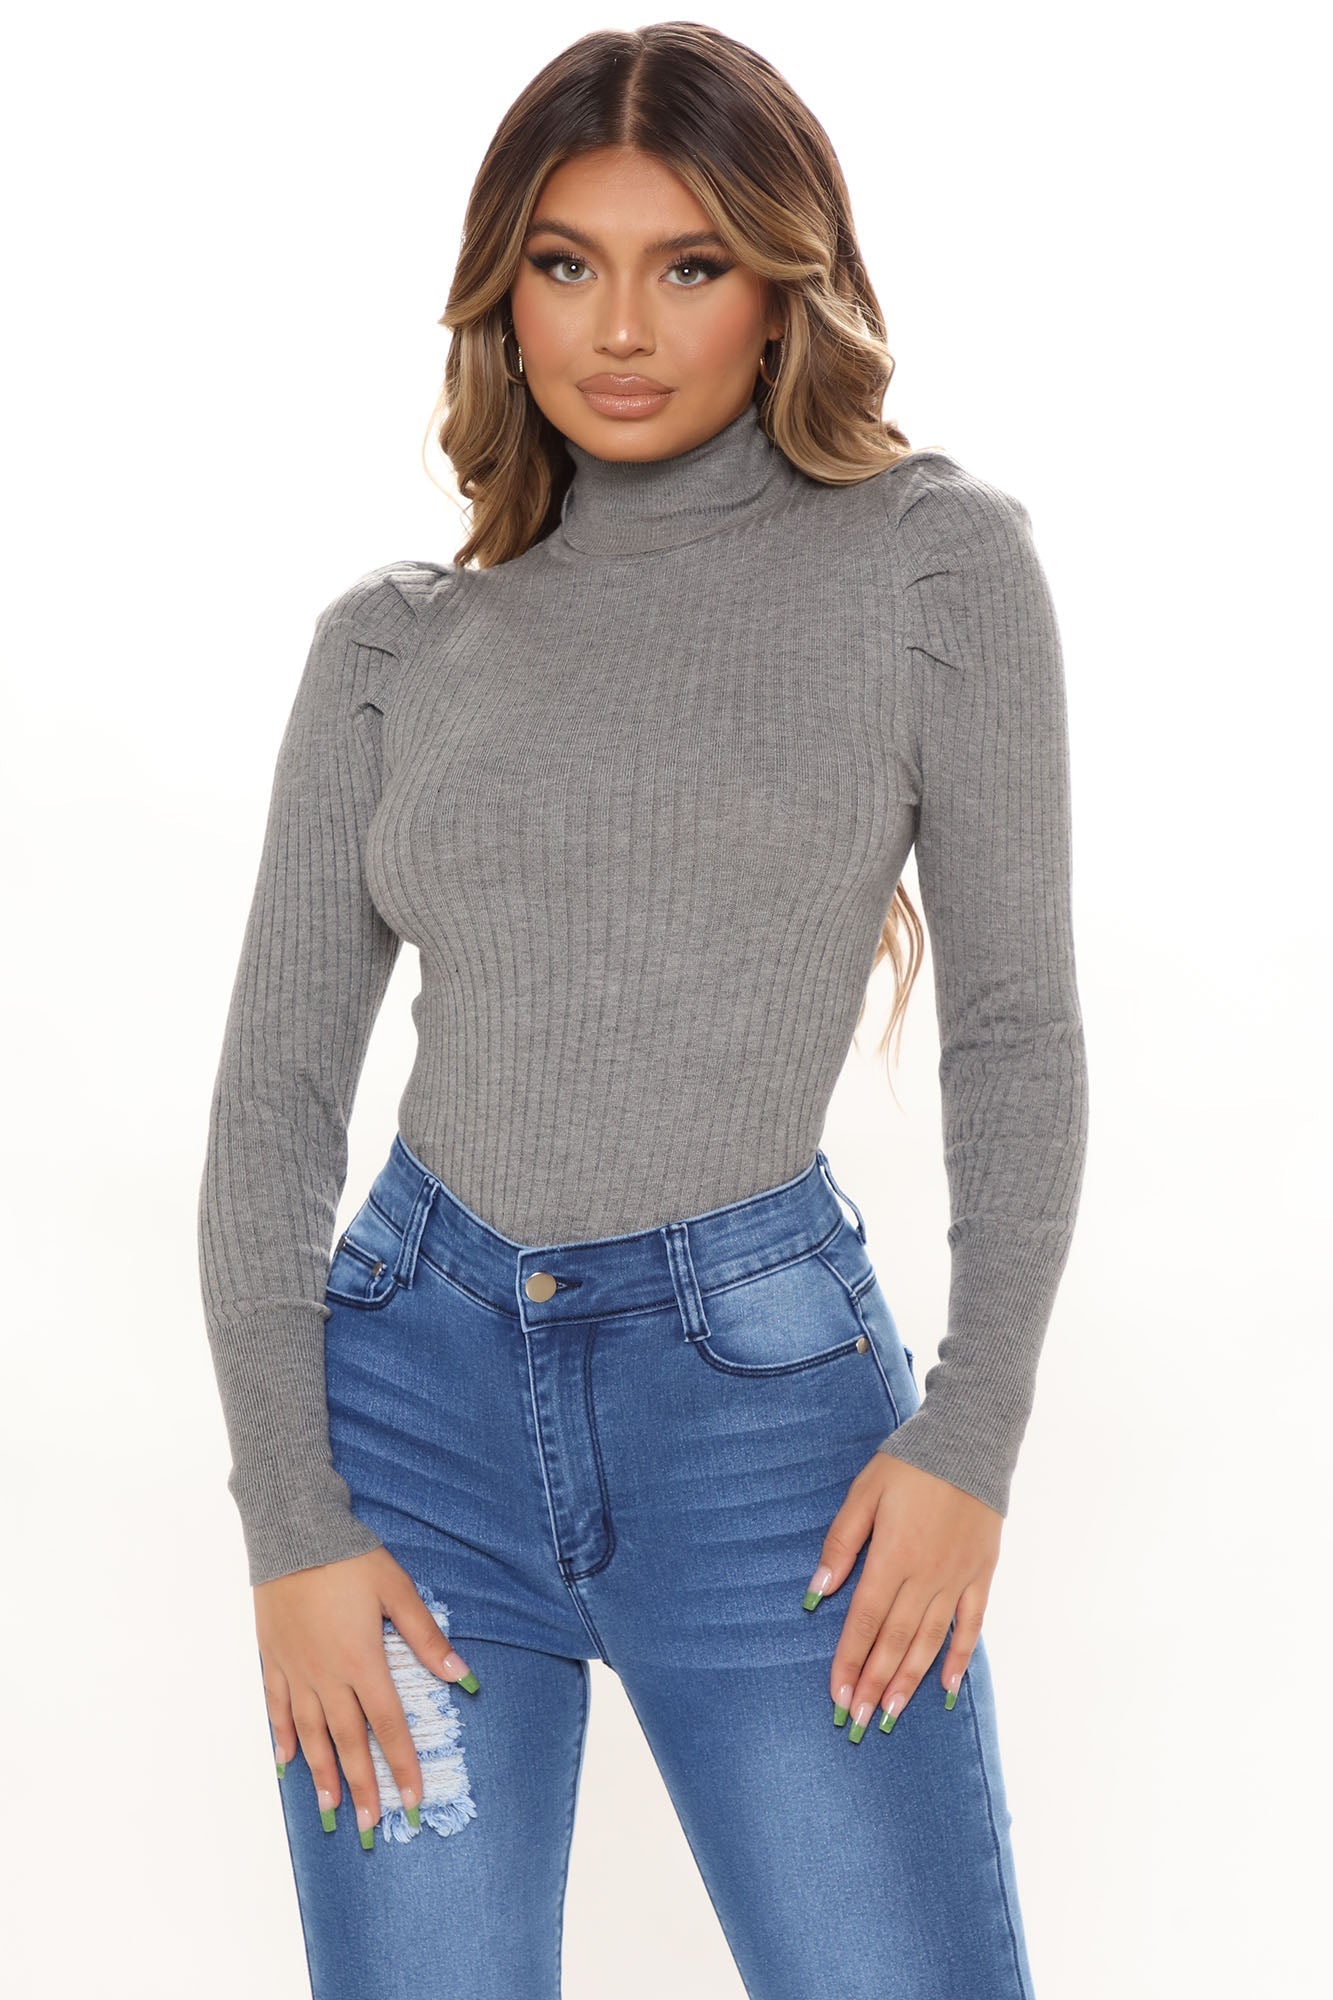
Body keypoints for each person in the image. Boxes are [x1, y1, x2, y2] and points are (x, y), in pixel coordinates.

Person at [196, 22, 1088, 1999]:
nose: (619, 326)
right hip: (407, 1414)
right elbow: (271, 1107)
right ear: (498, 295)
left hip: (765, 1434)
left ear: (781, 288)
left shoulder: (929, 567)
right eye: (563, 262)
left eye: (688, 264)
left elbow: (1015, 1028)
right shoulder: (390, 650)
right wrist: (292, 1528)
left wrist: (972, 1439)